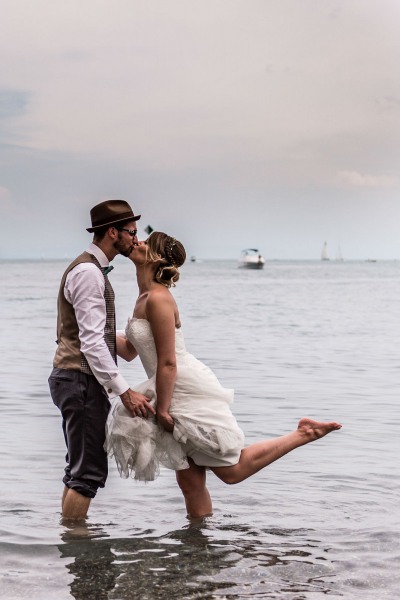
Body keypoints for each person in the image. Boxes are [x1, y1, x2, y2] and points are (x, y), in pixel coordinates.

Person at [105, 232, 342, 519]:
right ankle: (197, 544)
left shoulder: (158, 298)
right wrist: (85, 333)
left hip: (179, 386)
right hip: (165, 385)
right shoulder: (144, 297)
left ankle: (304, 432)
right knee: (189, 481)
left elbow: (168, 362)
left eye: (145, 241)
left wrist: (164, 410)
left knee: (232, 470)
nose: (137, 241)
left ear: (155, 258)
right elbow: (131, 350)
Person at [49, 199, 155, 521]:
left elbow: (99, 336)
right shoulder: (88, 273)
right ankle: (79, 552)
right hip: (79, 380)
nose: (136, 239)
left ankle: (68, 541)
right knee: (88, 474)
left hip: (77, 379)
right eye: (131, 232)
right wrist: (124, 391)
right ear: (112, 232)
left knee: (79, 469)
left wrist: (136, 338)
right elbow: (91, 342)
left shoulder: (93, 272)